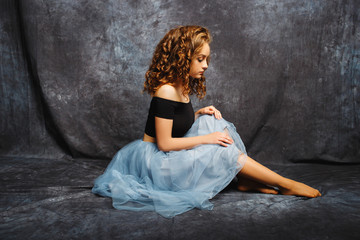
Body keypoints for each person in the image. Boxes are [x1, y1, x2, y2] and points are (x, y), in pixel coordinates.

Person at [92, 25, 321, 218]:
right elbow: (165, 144)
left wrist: (199, 113)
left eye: (206, 59)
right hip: (156, 163)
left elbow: (176, 121)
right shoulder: (166, 91)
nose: (206, 65)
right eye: (200, 59)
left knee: (214, 123)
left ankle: (243, 179)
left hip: (168, 151)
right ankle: (284, 183)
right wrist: (207, 139)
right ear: (182, 59)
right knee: (215, 143)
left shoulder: (181, 86)